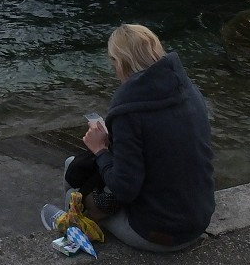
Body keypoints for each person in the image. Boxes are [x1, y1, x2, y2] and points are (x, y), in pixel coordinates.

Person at [63, 24, 214, 252]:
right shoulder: (189, 91)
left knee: (71, 194)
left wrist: (100, 150)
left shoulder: (128, 110)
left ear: (120, 61)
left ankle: (75, 235)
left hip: (160, 233)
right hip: (198, 220)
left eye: (113, 61)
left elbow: (124, 188)